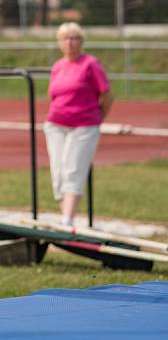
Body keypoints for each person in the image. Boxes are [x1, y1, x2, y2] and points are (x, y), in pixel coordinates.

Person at [44, 22, 113, 228]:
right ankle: (63, 215)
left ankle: (68, 219)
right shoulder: (57, 66)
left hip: (83, 125)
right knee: (58, 172)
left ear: (81, 42)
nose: (70, 43)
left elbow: (107, 95)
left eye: (74, 38)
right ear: (59, 43)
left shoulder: (90, 64)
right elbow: (53, 96)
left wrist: (98, 117)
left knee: (73, 169)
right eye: (65, 38)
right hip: (56, 124)